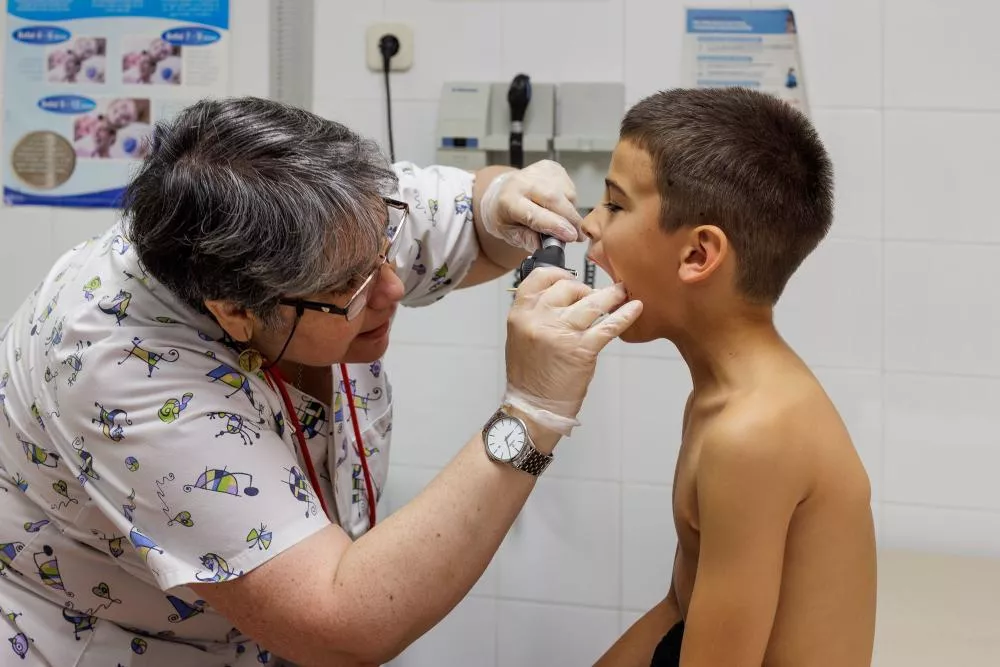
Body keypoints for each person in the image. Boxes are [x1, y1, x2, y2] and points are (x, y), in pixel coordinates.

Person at [0, 96, 641, 666]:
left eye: (386, 248)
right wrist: (531, 413)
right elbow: (339, 628)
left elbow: (476, 217)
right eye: (353, 289)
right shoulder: (123, 371)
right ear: (236, 310)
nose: (393, 288)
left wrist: (504, 197)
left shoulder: (332, 211)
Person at [588, 88, 876, 667]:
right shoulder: (721, 398)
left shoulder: (753, 434)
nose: (589, 224)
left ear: (698, 255)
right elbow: (681, 605)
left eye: (615, 206)